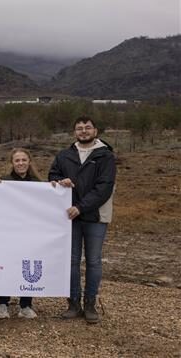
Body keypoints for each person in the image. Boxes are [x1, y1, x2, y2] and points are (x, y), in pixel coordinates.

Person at [49, 116, 116, 324]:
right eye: (79, 128)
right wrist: (60, 181)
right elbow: (52, 175)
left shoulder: (105, 156)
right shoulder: (64, 155)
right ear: (74, 132)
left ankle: (90, 304)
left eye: (88, 128)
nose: (84, 131)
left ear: (95, 131)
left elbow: (104, 187)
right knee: (72, 261)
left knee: (93, 261)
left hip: (95, 216)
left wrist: (80, 207)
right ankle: (73, 303)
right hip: (70, 217)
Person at [0, 148, 42, 319]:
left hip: (30, 233)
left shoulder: (38, 183)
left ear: (29, 162)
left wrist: (56, 188)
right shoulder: (4, 181)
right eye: (17, 160)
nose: (21, 163)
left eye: (24, 160)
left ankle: (26, 305)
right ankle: (2, 304)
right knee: (7, 265)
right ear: (12, 163)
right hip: (9, 232)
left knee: (27, 266)